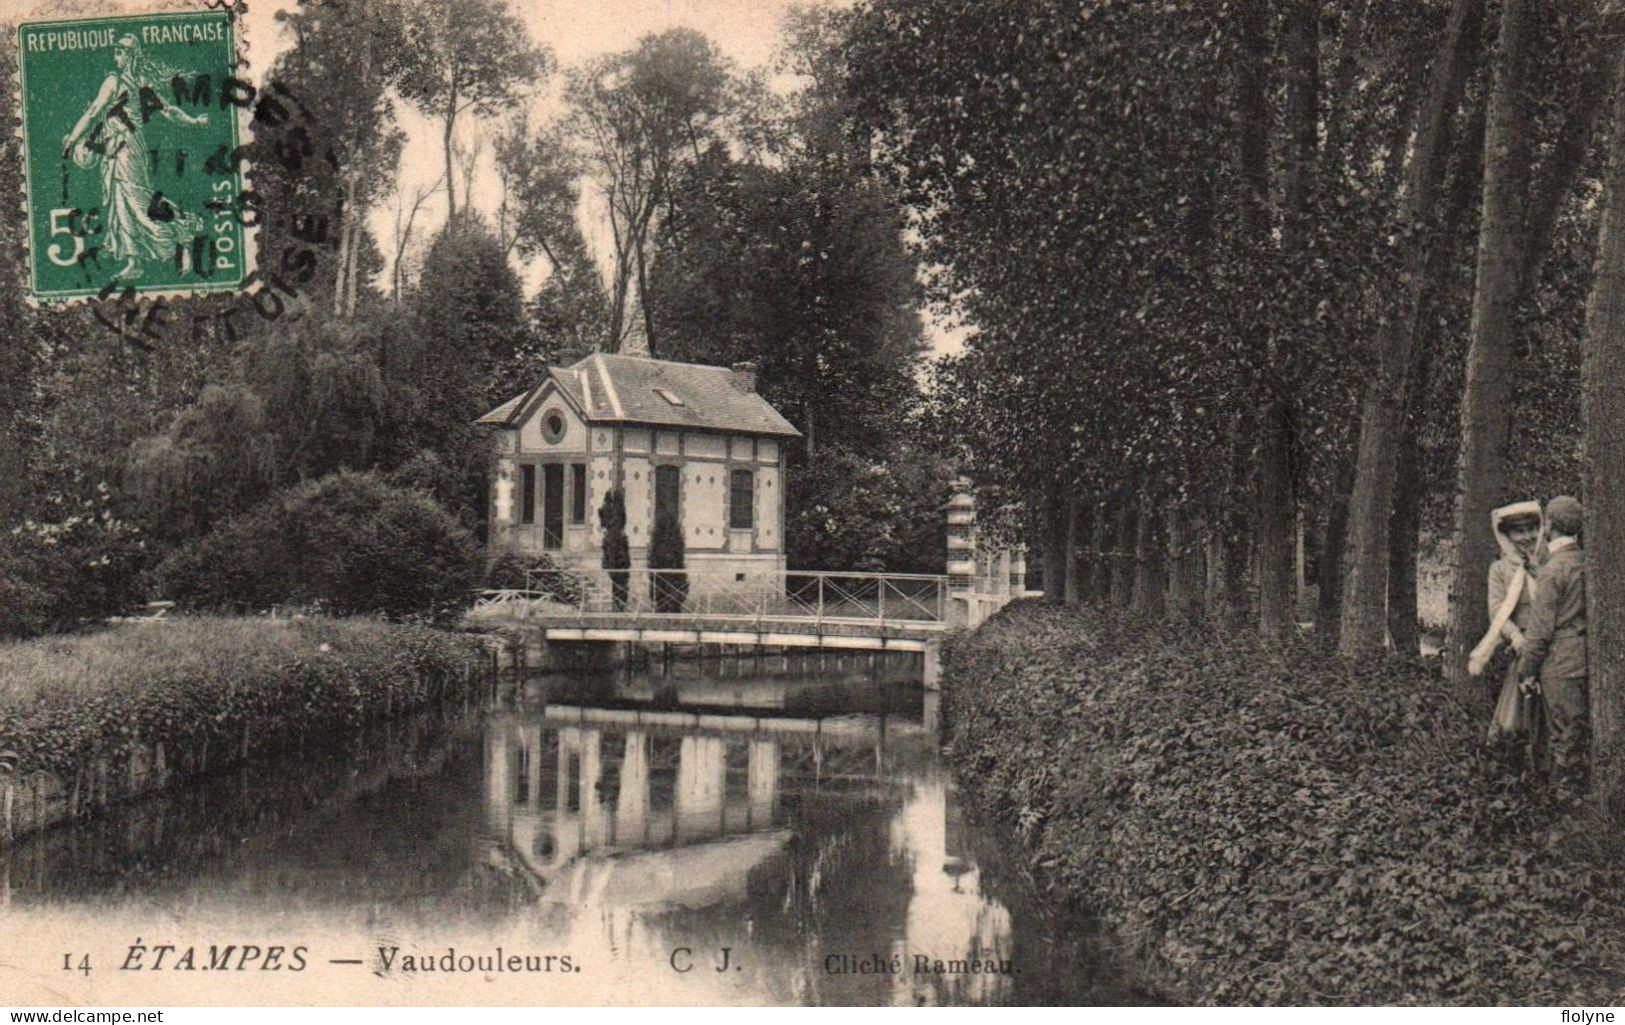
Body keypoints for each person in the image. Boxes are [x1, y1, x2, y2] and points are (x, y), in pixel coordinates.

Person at [60, 35, 208, 281]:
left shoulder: (114, 81)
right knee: (126, 201)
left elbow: (94, 111)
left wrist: (72, 139)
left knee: (135, 202)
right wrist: (194, 121)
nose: (115, 57)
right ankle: (136, 258)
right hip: (124, 148)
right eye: (115, 52)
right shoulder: (142, 82)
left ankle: (178, 235)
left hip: (125, 149)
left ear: (131, 55)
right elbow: (169, 112)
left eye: (119, 52)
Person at [1517, 495, 1589, 799]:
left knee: (1564, 734)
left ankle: (1563, 803)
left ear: (1551, 525)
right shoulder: (1586, 562)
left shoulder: (1553, 570)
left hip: (1560, 663)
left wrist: (1526, 671)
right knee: (1574, 731)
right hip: (1586, 659)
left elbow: (1540, 632)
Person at [1472, 501, 1545, 764]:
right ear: (1506, 536)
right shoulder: (1500, 570)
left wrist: (1539, 570)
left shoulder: (1547, 562)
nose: (1526, 537)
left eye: (1531, 529)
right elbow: (1497, 611)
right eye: (1519, 531)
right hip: (1521, 644)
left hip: (1550, 643)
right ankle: (1512, 762)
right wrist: (1515, 636)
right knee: (1516, 710)